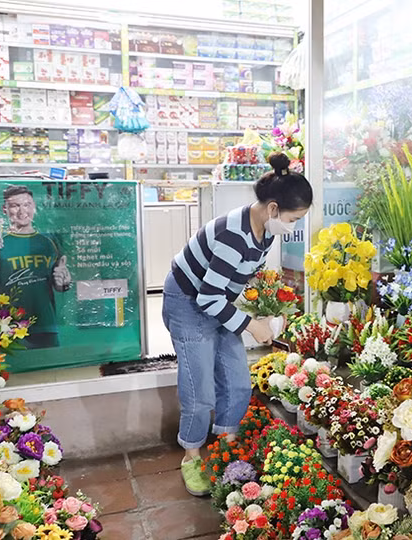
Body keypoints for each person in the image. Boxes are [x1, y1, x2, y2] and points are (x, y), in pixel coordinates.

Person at [163, 153, 312, 496]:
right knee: (200, 389)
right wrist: (251, 324)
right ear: (273, 209)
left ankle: (226, 444)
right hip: (188, 303)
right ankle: (191, 456)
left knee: (237, 380)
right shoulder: (234, 234)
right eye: (294, 218)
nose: (295, 226)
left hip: (217, 300)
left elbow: (239, 279)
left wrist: (271, 307)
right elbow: (206, 299)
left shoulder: (265, 231)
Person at [0, 185, 72, 349]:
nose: (22, 211)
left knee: (49, 372)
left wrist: (63, 283)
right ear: (4, 209)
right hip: (7, 327)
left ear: (34, 206)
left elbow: (62, 285)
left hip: (46, 325)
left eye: (27, 204)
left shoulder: (49, 241)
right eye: (15, 206)